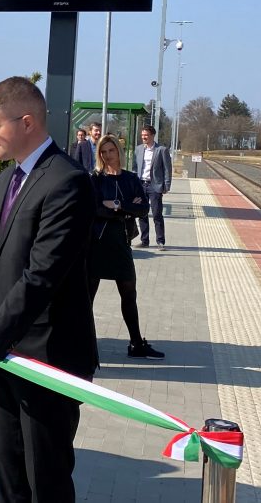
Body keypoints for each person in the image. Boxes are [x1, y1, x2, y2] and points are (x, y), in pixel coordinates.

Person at [0, 76, 97, 503]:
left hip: (48, 356)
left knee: (45, 476)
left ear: (27, 122)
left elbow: (41, 277)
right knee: (6, 467)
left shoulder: (67, 182)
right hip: (8, 351)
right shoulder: (6, 179)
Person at [88, 135, 164, 359]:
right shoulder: (96, 179)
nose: (108, 155)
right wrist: (126, 208)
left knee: (129, 293)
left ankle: (136, 344)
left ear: (119, 151)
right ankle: (85, 343)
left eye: (111, 150)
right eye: (103, 152)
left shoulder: (131, 179)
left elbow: (142, 210)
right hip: (97, 244)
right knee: (88, 297)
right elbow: (94, 209)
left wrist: (117, 205)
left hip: (121, 244)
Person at [133, 124, 172, 250]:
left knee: (156, 214)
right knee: (142, 213)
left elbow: (167, 169)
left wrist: (167, 185)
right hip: (141, 185)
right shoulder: (138, 149)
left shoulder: (161, 150)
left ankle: (160, 241)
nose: (144, 137)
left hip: (155, 186)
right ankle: (144, 240)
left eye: (146, 135)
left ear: (152, 136)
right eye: (142, 135)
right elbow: (134, 167)